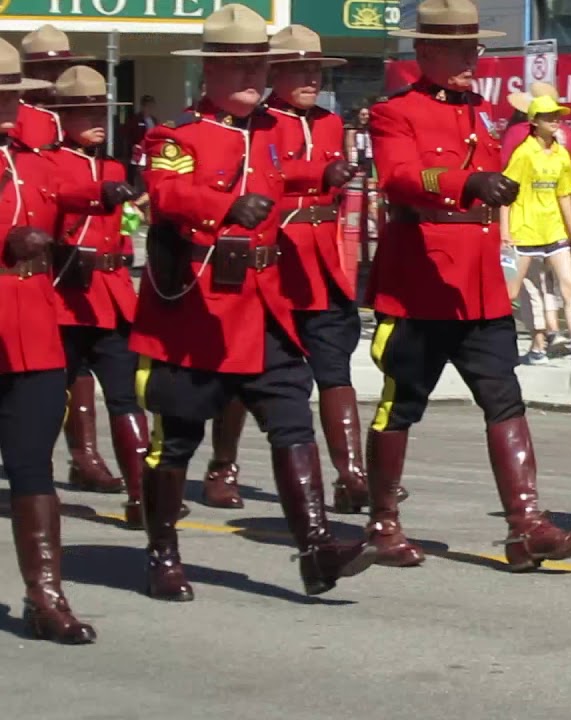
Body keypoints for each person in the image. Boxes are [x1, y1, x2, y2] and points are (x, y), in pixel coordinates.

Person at [131, 4, 376, 601]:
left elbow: (298, 172)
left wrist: (329, 174)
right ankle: (162, 551)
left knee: (292, 421)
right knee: (179, 438)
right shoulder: (175, 135)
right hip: (201, 310)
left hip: (266, 302)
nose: (251, 76)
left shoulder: (273, 129)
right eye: (238, 66)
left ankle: (316, 547)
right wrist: (222, 209)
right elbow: (166, 194)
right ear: (208, 72)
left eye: (258, 66)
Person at [366, 0, 571, 570]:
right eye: (458, 48)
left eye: (475, 47)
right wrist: (467, 181)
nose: (473, 58)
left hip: (479, 282)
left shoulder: (481, 111)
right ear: (424, 52)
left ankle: (526, 526)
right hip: (421, 279)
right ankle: (382, 524)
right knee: (400, 405)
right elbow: (397, 177)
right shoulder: (395, 112)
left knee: (504, 397)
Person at [199, 25, 379, 513]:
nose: (310, 79)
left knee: (334, 366)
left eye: (315, 70)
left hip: (321, 262)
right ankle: (223, 466)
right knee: (247, 368)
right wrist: (318, 175)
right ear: (272, 73)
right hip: (273, 258)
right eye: (298, 69)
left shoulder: (328, 123)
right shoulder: (256, 123)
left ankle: (352, 474)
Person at [0, 38, 132, 644]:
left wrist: (112, 190)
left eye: (13, 97)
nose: (9, 109)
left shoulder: (35, 161)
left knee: (32, 467)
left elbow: (74, 189)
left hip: (30, 329)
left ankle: (46, 597)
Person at [15, 25, 122, 493]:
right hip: (36, 258)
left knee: (82, 366)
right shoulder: (19, 120)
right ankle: (71, 455)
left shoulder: (69, 121)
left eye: (60, 66)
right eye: (45, 69)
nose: (54, 76)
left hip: (82, 256)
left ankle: (86, 455)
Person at [47, 66, 153, 528]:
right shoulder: (47, 162)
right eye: (82, 111)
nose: (95, 118)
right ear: (61, 118)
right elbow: (62, 195)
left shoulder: (113, 165)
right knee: (46, 399)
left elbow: (121, 229)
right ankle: (34, 483)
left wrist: (130, 217)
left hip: (110, 295)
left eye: (100, 110)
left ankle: (141, 497)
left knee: (126, 397)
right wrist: (100, 194)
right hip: (64, 295)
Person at [500, 94, 571, 368]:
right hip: (524, 232)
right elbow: (506, 194)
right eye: (549, 117)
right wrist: (505, 234)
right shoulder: (523, 152)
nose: (556, 121)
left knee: (570, 289)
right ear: (534, 122)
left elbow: (564, 196)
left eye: (557, 116)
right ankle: (504, 346)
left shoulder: (561, 154)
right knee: (510, 293)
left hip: (554, 232)